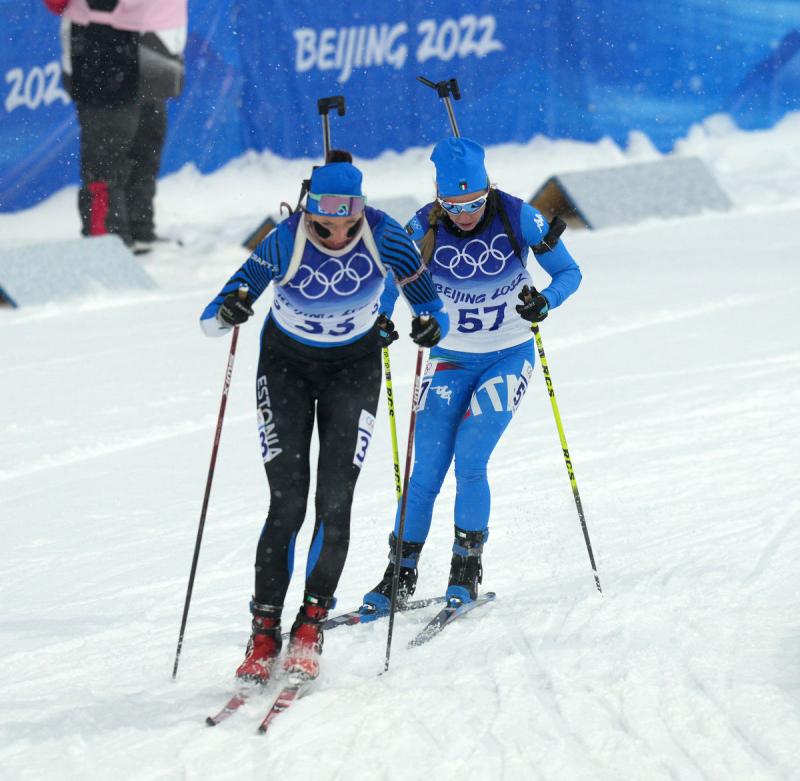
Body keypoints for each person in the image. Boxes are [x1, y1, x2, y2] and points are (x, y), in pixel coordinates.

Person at [199, 151, 449, 682]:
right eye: (322, 222)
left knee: (335, 501)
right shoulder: (286, 238)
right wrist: (230, 310)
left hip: (352, 371)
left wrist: (429, 326)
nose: (334, 233)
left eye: (345, 220)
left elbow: (431, 309)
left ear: (360, 211)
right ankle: (263, 634)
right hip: (285, 368)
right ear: (308, 211)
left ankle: (309, 627)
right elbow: (212, 319)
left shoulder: (386, 236)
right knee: (287, 503)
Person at [363, 136, 582, 611]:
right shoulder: (422, 226)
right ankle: (398, 575)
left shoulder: (518, 215)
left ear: (489, 190)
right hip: (449, 358)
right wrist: (382, 319)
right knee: (425, 471)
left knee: (471, 456)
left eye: (476, 202)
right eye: (454, 205)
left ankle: (465, 572)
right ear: (440, 198)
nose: (465, 214)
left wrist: (545, 301)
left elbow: (569, 274)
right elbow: (387, 278)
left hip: (507, 354)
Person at [46, 0, 187, 253]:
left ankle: (139, 228)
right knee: (107, 149)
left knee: (147, 144)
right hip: (101, 39)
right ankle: (107, 241)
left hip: (160, 37)